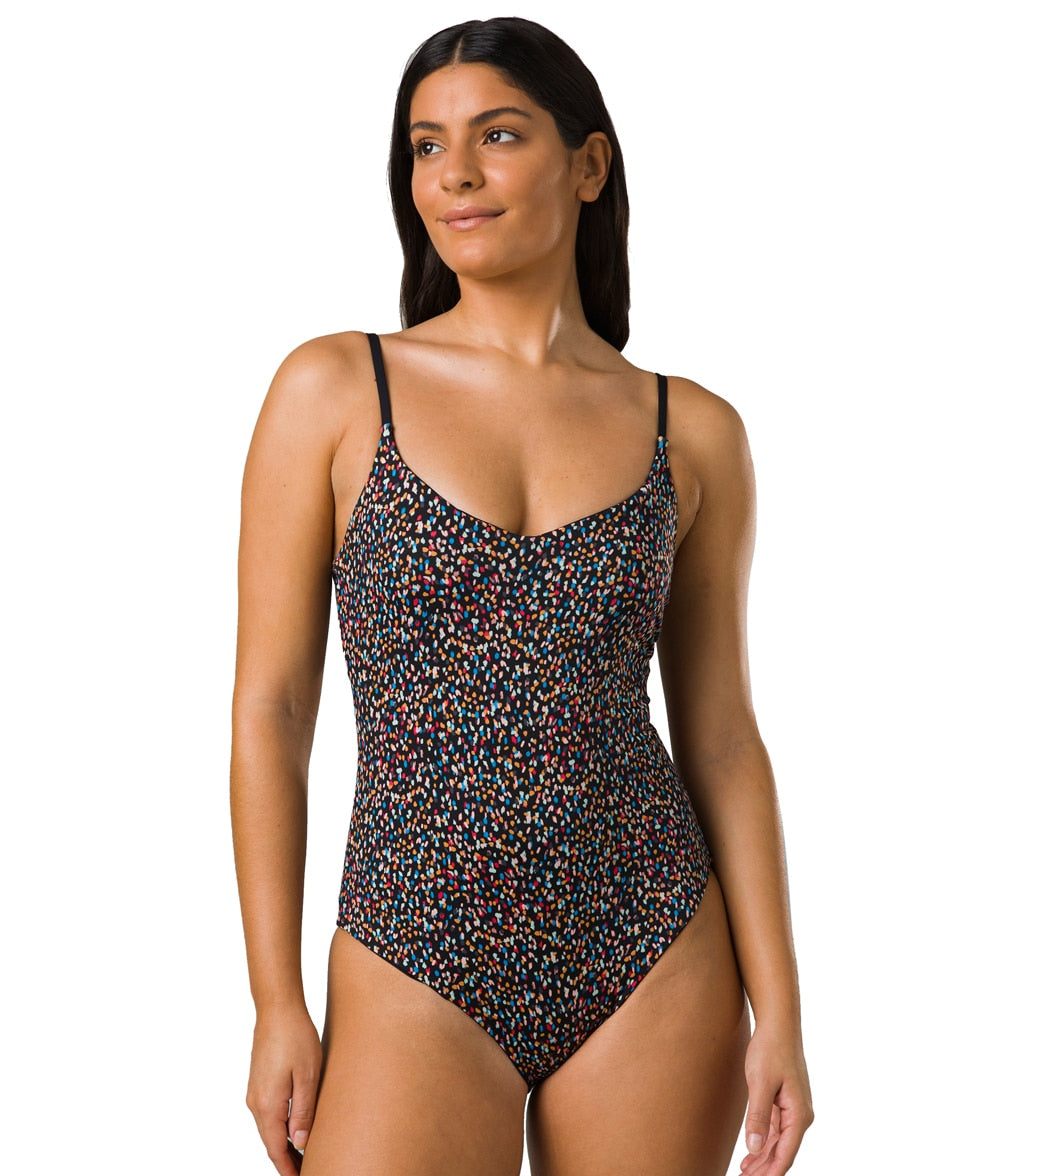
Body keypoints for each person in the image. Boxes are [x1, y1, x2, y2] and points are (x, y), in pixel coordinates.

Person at [230, 16, 813, 1176]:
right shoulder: (336, 390)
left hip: (652, 936)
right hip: (411, 939)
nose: (453, 173)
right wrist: (275, 1001)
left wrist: (784, 1009)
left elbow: (721, 736)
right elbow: (272, 710)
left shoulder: (693, 429)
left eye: (497, 135)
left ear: (588, 164)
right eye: (425, 144)